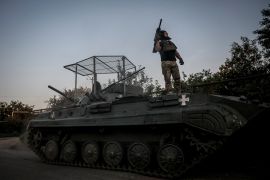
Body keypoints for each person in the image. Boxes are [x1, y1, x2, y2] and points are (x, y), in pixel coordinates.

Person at [155, 30, 184, 95]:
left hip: (174, 62)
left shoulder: (171, 43)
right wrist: (157, 40)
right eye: (165, 33)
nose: (167, 33)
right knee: (167, 79)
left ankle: (178, 92)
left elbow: (175, 52)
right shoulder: (160, 42)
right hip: (165, 63)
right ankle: (169, 92)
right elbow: (157, 49)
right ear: (162, 34)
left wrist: (180, 58)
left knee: (177, 78)